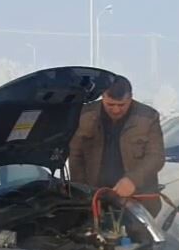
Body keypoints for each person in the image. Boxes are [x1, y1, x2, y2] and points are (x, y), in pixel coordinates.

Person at [69, 76, 165, 214]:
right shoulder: (85, 115)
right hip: (95, 198)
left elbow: (156, 157)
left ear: (130, 98)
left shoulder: (148, 117)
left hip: (137, 199)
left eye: (121, 105)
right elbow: (75, 155)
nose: (115, 110)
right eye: (110, 104)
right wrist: (81, 191)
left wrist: (133, 180)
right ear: (103, 96)